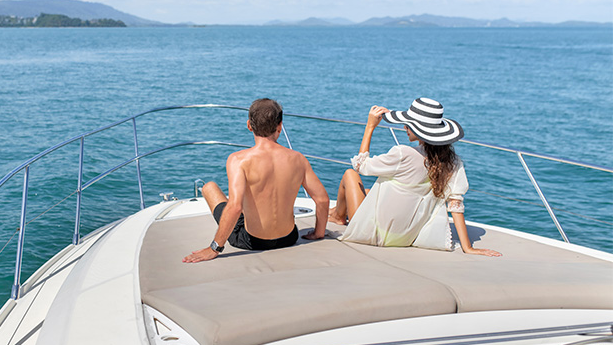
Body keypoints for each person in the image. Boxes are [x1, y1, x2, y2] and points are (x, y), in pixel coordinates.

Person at [329, 98, 501, 256]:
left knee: (350, 175)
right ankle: (336, 212)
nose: (404, 127)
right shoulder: (452, 162)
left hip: (376, 234)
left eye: (408, 124)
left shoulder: (403, 154)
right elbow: (456, 205)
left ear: (421, 131)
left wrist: (370, 127)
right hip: (406, 237)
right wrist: (468, 248)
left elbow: (361, 166)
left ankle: (337, 216)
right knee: (367, 190)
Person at [183, 98, 330, 263]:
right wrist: (319, 233)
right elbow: (322, 199)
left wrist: (214, 248)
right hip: (288, 238)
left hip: (252, 241)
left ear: (249, 125)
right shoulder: (298, 159)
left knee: (209, 187)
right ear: (280, 126)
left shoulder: (238, 160)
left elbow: (235, 207)